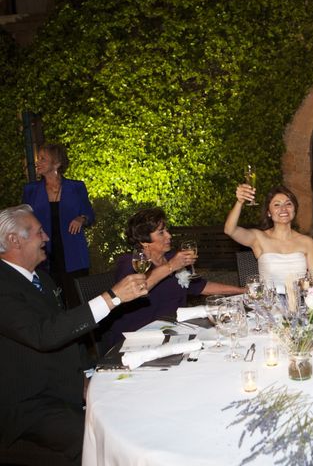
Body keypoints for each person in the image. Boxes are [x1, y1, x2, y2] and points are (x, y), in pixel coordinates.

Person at [0, 204, 147, 464]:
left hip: (64, 386)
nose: (46, 237)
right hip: (29, 404)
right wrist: (111, 298)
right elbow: (43, 335)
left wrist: (85, 379)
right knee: (101, 438)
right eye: (38, 232)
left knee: (135, 405)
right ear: (14, 240)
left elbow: (67, 335)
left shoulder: (42, 280)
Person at [102, 208, 245, 348]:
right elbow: (137, 288)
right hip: (136, 338)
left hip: (173, 333)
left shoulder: (171, 258)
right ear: (144, 241)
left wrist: (242, 290)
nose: (169, 236)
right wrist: (170, 266)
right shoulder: (130, 262)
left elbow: (202, 287)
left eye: (167, 230)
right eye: (161, 233)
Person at [22, 143, 95, 309]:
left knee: (79, 304)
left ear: (57, 163)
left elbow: (90, 215)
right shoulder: (30, 190)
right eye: (37, 159)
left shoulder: (77, 187)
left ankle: (84, 336)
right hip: (43, 255)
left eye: (43, 159)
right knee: (51, 304)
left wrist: (81, 218)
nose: (37, 162)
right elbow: (23, 220)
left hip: (73, 254)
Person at [225, 184, 313, 292]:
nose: (283, 209)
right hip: (268, 304)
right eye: (277, 205)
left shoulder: (307, 242)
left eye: (288, 204)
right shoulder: (258, 238)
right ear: (269, 213)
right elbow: (229, 230)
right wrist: (239, 202)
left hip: (299, 303)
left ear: (294, 209)